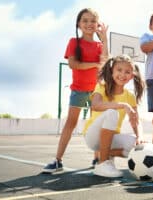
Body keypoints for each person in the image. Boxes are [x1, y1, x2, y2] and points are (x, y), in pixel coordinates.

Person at [43, 8, 108, 173]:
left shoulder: (100, 45)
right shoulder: (74, 42)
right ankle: (57, 160)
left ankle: (97, 158)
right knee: (70, 124)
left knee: (97, 125)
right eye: (85, 21)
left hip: (96, 92)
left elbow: (105, 63)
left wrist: (105, 39)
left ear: (98, 25)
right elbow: (73, 64)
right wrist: (94, 64)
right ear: (78, 24)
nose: (89, 24)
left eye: (93, 21)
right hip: (79, 90)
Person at [82, 54, 145, 178]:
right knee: (112, 112)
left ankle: (106, 154)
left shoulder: (130, 96)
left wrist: (140, 137)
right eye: (119, 70)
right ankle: (102, 163)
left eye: (127, 72)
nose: (122, 74)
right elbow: (95, 105)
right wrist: (123, 105)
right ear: (112, 71)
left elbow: (135, 120)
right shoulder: (102, 86)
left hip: (111, 139)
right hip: (93, 136)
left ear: (132, 76)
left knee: (137, 146)